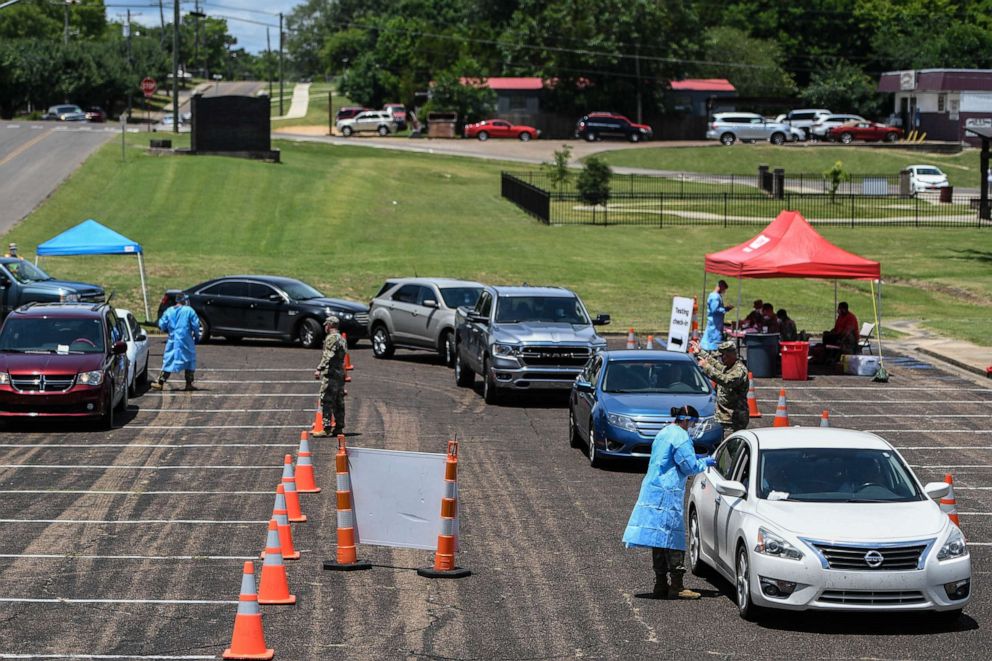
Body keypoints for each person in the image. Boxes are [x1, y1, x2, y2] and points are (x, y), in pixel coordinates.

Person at [623, 405, 717, 600]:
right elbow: (690, 466)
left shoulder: (664, 431)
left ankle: (660, 584)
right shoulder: (681, 437)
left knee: (658, 537)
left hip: (653, 488)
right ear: (687, 420)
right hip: (668, 491)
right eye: (693, 423)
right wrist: (705, 462)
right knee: (673, 535)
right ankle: (677, 585)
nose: (693, 426)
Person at [698, 341, 750, 437]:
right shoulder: (729, 367)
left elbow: (726, 381)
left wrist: (706, 367)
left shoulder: (739, 370)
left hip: (733, 420)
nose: (721, 359)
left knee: (730, 450)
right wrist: (700, 352)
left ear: (731, 355)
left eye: (723, 356)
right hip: (724, 418)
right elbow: (716, 365)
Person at [152, 292, 201, 391]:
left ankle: (160, 383)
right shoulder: (189, 310)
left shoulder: (169, 311)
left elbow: (162, 324)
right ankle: (188, 384)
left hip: (173, 341)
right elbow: (195, 325)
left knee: (168, 360)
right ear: (184, 300)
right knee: (189, 360)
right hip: (186, 340)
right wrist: (197, 336)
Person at [313, 315, 347, 437]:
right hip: (339, 374)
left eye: (326, 325)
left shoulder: (332, 338)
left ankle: (326, 428)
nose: (325, 327)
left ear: (330, 325)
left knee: (326, 400)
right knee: (339, 401)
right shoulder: (342, 338)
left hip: (331, 373)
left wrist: (319, 368)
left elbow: (328, 355)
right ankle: (339, 427)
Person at [701, 280, 733, 354]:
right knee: (714, 343)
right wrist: (726, 309)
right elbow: (714, 310)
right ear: (721, 287)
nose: (724, 291)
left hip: (716, 324)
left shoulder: (715, 296)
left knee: (712, 341)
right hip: (715, 325)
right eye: (724, 289)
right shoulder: (715, 297)